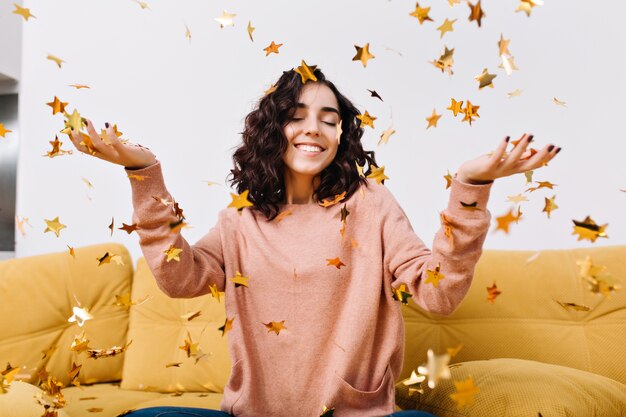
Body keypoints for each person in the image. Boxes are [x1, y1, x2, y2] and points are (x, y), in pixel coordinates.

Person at [69, 66, 560, 417]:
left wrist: (469, 188)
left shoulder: (371, 205)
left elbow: (439, 293)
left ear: (341, 134)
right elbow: (179, 279)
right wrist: (143, 173)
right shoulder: (241, 219)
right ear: (273, 130)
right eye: (297, 115)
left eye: (329, 118)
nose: (313, 129)